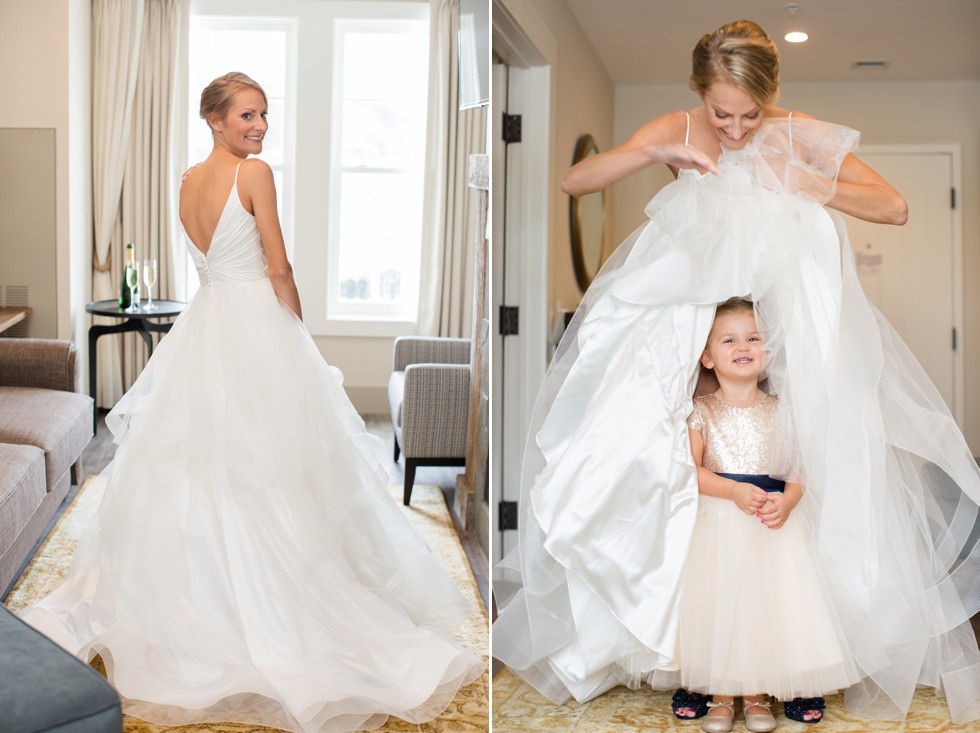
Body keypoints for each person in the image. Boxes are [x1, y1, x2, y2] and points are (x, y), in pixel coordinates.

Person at [492, 19, 980, 726]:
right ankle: (685, 645)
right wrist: (653, 149)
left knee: (801, 466)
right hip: (691, 327)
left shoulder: (796, 133)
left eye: (751, 114)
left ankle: (791, 652)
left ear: (771, 98)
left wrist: (807, 179)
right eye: (723, 113)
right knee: (659, 462)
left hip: (780, 333)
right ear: (700, 94)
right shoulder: (678, 129)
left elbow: (894, 206)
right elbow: (575, 179)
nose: (738, 128)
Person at [22, 72, 484, 733]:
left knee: (204, 464)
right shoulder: (256, 174)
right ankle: (268, 601)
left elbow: (207, 261)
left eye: (264, 114)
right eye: (246, 114)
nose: (260, 125)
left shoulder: (185, 182)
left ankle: (198, 596)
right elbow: (278, 266)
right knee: (273, 464)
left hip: (207, 323)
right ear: (214, 119)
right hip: (254, 324)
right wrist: (298, 337)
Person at [683, 298, 859, 733]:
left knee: (770, 606)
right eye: (729, 339)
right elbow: (691, 474)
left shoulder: (783, 409)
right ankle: (722, 695)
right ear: (707, 356)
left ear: (768, 350)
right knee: (726, 605)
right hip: (720, 520)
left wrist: (791, 498)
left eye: (753, 338)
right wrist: (733, 491)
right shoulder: (702, 411)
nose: (743, 346)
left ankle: (758, 694)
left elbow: (800, 469)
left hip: (772, 524)